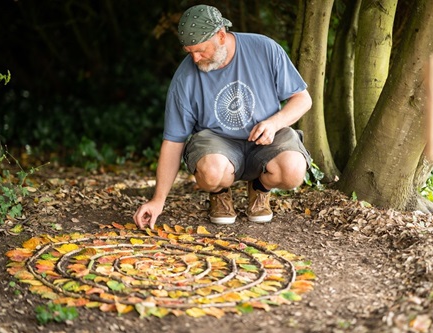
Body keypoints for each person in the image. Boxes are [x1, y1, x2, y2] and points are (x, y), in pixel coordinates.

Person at [134, 4, 312, 229]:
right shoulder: (184, 79)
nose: (196, 59)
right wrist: (158, 201)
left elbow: (303, 99)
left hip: (267, 137)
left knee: (293, 170)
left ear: (220, 35)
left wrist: (274, 123)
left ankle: (260, 188)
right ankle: (219, 193)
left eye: (201, 50)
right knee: (212, 172)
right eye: (190, 52)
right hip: (217, 143)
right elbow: (173, 141)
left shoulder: (265, 49)